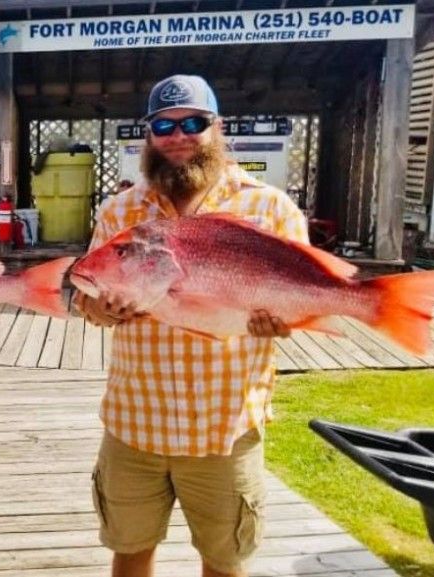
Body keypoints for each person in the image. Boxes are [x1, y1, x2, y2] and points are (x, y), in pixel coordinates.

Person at [74, 75, 309, 577]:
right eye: (163, 125)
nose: (178, 135)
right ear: (148, 135)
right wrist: (101, 310)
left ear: (216, 127)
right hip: (136, 421)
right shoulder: (119, 211)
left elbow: (297, 296)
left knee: (224, 562)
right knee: (130, 551)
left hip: (224, 425)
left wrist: (283, 320)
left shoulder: (270, 208)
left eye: (193, 123)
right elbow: (86, 299)